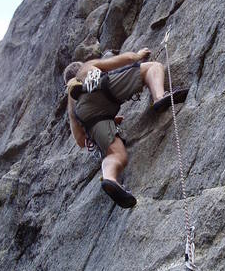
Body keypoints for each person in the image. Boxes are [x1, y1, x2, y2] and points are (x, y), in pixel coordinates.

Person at [63, 48, 188, 208]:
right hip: (98, 86)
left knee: (116, 155)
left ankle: (109, 178)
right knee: (153, 67)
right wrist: (137, 56)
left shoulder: (72, 101)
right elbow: (119, 62)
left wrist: (107, 120)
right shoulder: (86, 68)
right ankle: (159, 97)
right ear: (78, 69)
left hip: (90, 117)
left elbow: (81, 140)